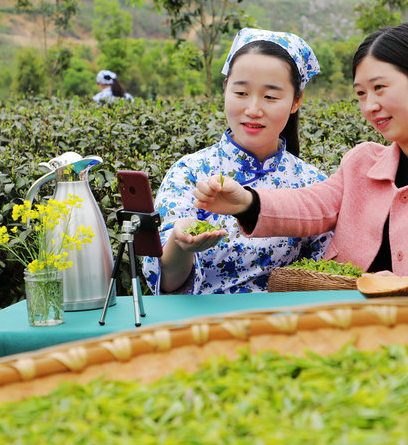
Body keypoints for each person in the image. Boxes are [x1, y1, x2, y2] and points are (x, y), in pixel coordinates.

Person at [193, 23, 408, 289]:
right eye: (361, 93)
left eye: (379, 88)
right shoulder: (362, 163)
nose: (370, 106)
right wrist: (246, 202)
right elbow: (309, 205)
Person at [142, 28, 332, 295]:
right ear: (225, 89)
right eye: (241, 93)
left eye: (270, 97)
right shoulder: (189, 173)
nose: (253, 110)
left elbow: (327, 275)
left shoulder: (312, 184)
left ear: (296, 100)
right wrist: (179, 243)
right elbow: (165, 283)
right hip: (202, 329)